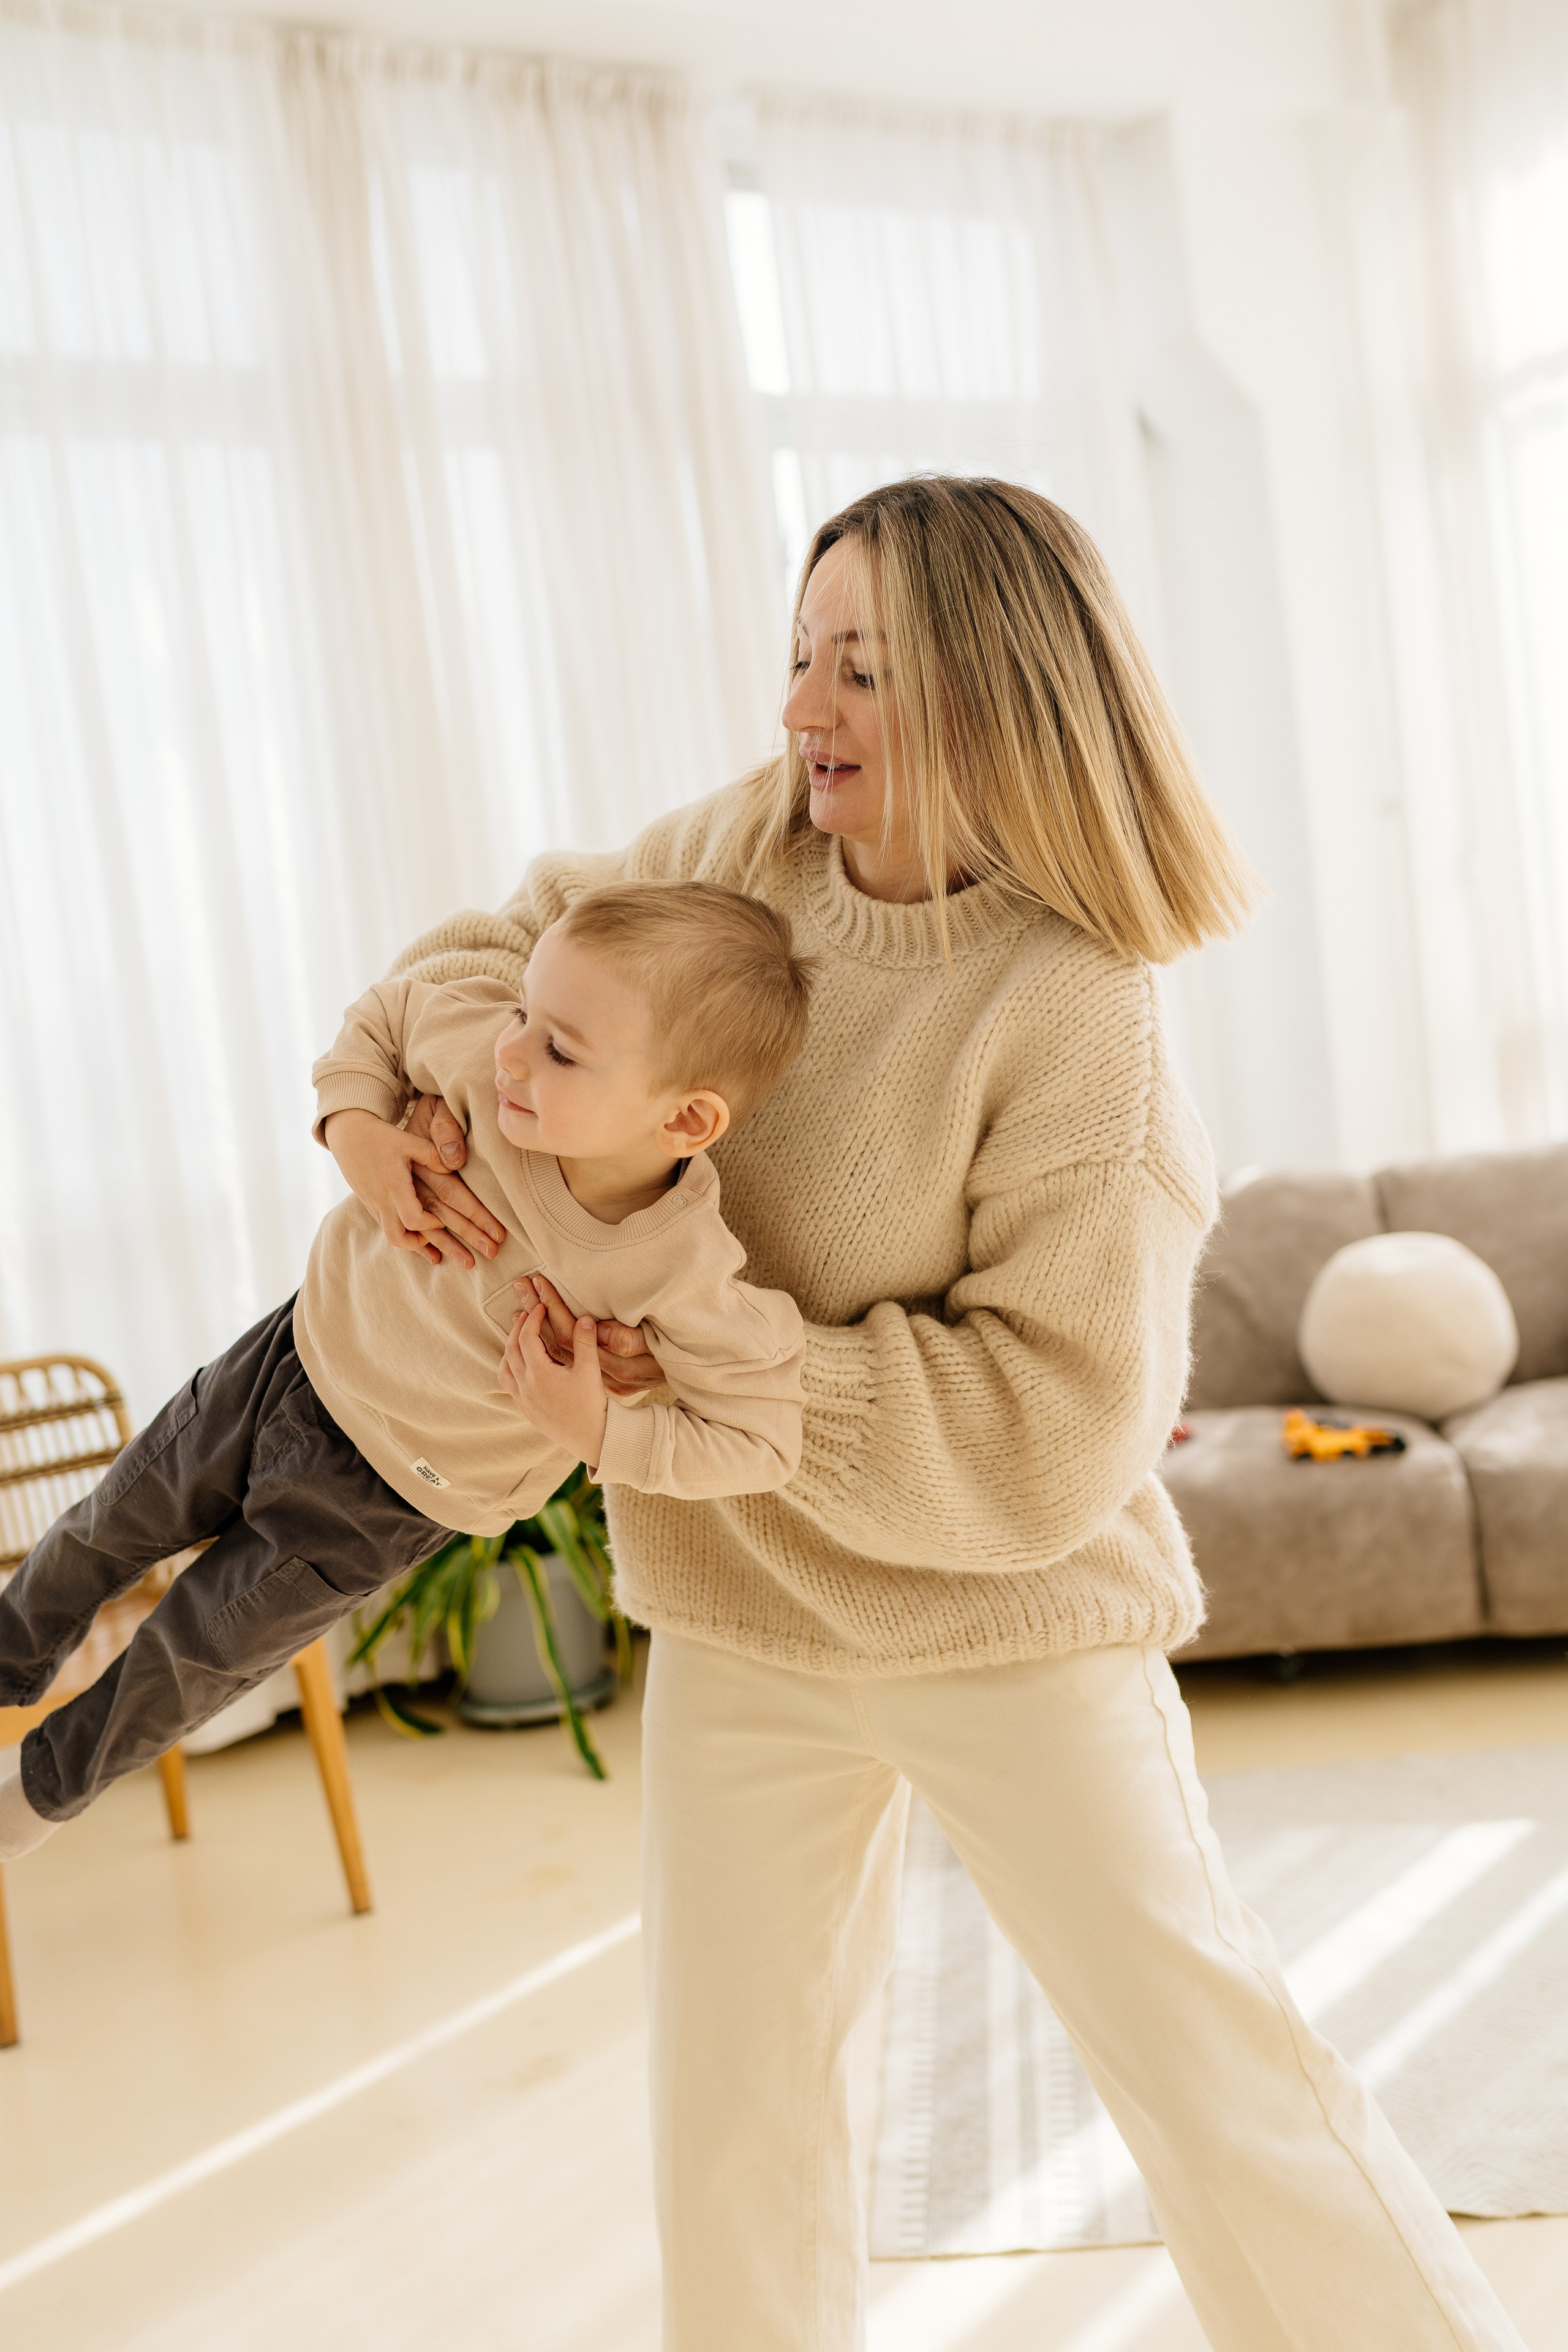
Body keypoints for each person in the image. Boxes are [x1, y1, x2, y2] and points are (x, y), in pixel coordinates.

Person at [341, 477, 1529, 2350]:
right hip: (745, 1612)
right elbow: (503, 951)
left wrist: (710, 1371)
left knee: (1213, 2078)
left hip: (1012, 1624)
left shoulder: (1077, 1016)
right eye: (801, 655)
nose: (805, 706)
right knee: (734, 2127)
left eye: (862, 670)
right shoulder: (741, 855)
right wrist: (404, 1101)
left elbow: (1053, 1429)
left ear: (986, 691)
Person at [0, 883, 810, 1858]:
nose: (511, 1047)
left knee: (190, 1657)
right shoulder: (483, 1060)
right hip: (285, 1358)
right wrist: (359, 1128)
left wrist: (597, 1431)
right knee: (99, 1532)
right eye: (524, 1011)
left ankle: (36, 1799)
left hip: (385, 1497)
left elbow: (763, 1438)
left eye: (559, 1047)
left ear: (683, 1124)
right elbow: (388, 1015)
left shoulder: (678, 1269)